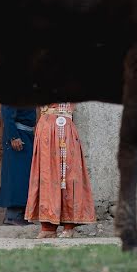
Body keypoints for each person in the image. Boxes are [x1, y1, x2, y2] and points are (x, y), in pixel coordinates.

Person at [24, 102, 96, 238]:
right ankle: (48, 227)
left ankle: (69, 226)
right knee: (46, 175)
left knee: (70, 175)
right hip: (46, 128)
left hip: (66, 127)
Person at [0, 105, 37, 226]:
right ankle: (12, 216)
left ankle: (21, 214)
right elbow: (7, 114)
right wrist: (13, 136)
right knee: (16, 175)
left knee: (25, 175)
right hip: (18, 136)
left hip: (27, 136)